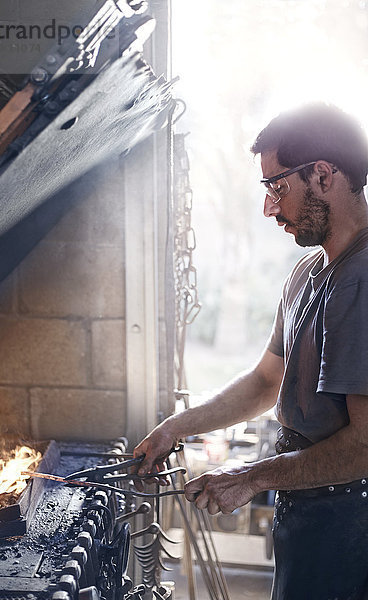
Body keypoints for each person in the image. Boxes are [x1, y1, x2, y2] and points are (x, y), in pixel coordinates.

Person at [133, 103, 368, 599]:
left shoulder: (363, 280)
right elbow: (266, 381)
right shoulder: (308, 275)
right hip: (307, 508)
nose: (269, 208)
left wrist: (248, 477)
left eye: (276, 187)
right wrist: (177, 426)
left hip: (353, 523)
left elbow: (364, 447)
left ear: (323, 175)